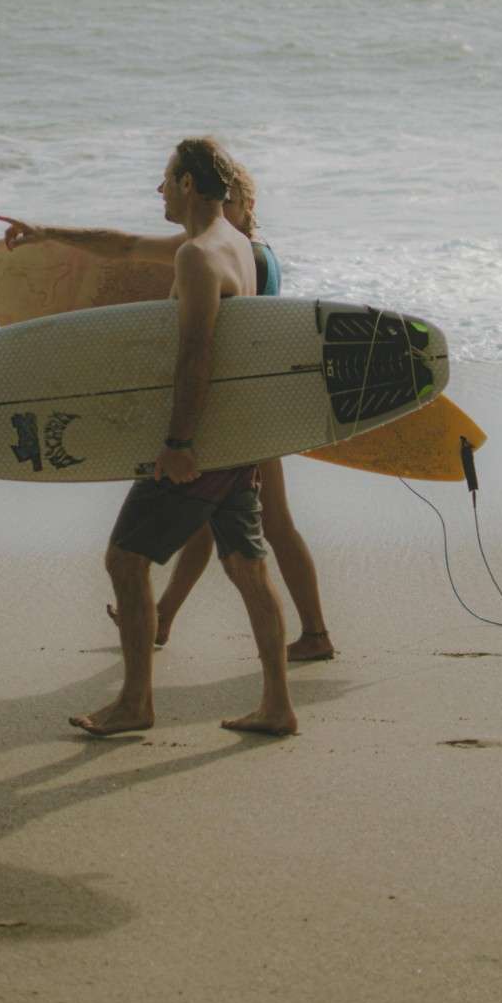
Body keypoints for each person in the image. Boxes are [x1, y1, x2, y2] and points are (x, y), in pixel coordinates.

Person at [1, 136, 297, 737]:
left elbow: (196, 354)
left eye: (164, 180)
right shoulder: (230, 243)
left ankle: (136, 702)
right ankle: (277, 705)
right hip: (235, 435)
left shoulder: (197, 257)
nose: (158, 191)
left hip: (201, 441)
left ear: (188, 183)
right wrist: (45, 232)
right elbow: (124, 246)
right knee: (246, 564)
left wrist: (180, 445)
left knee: (126, 560)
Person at [120, 163, 335, 662]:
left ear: (244, 204)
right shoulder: (243, 250)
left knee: (274, 525)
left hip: (246, 410)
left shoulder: (247, 255)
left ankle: (316, 633)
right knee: (207, 523)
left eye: (230, 203)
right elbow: (127, 245)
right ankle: (164, 617)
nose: (220, 213)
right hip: (248, 409)